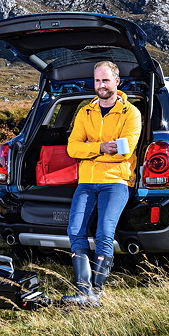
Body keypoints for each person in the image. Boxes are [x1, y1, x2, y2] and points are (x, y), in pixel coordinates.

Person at [61, 60, 142, 305]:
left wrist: (93, 150)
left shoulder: (131, 113)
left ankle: (96, 291)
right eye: (97, 80)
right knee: (75, 231)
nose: (101, 85)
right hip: (87, 181)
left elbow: (124, 151)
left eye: (106, 80)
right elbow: (72, 148)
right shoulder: (86, 111)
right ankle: (84, 291)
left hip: (116, 181)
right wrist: (100, 148)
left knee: (104, 233)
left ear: (117, 82)